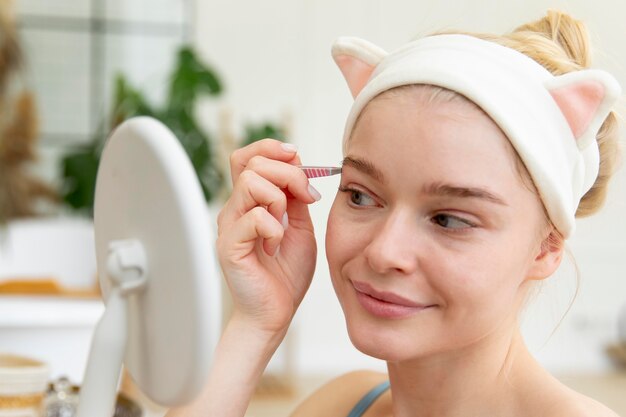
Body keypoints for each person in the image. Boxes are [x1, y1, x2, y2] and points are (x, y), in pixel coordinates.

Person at [167, 10, 622, 417]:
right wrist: (256, 324)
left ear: (545, 248)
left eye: (448, 219)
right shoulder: (344, 404)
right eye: (362, 196)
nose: (385, 252)